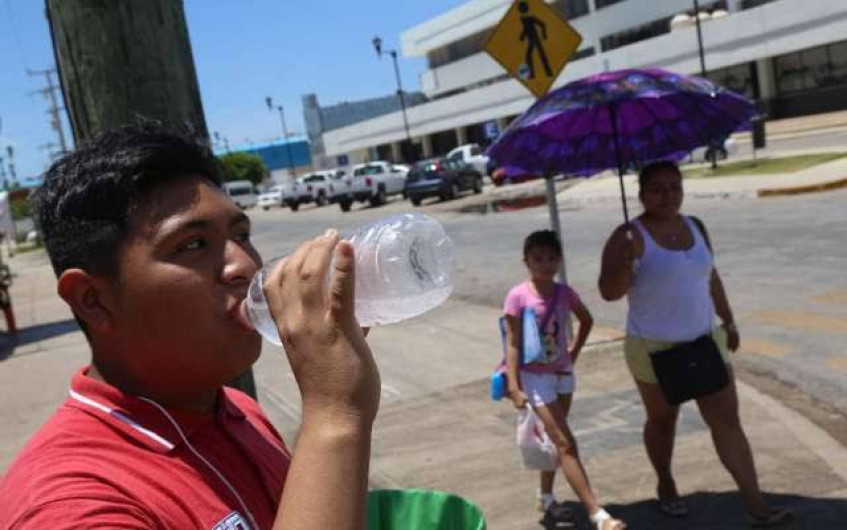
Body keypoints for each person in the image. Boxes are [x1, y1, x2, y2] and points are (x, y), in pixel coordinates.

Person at [0, 123, 380, 529]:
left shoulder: (239, 411)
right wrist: (334, 415)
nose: (245, 265)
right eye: (193, 245)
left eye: (242, 234)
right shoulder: (68, 503)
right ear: (92, 300)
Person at [598, 160, 792, 527]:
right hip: (653, 349)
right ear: (641, 194)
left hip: (704, 342)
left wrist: (728, 321)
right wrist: (624, 264)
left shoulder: (696, 226)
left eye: (675, 186)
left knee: (727, 422)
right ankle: (666, 482)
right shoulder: (628, 237)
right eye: (658, 189)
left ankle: (756, 505)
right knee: (663, 422)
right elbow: (609, 292)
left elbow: (710, 277)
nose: (668, 195)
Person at [504, 230, 626, 530]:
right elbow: (513, 342)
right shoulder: (518, 296)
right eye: (538, 258)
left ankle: (545, 497)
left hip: (562, 375)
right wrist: (514, 386)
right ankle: (597, 514)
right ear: (526, 261)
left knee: (554, 441)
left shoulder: (564, 293)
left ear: (559, 260)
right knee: (564, 442)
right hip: (535, 377)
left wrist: (574, 352)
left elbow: (586, 319)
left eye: (551, 258)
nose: (545, 264)